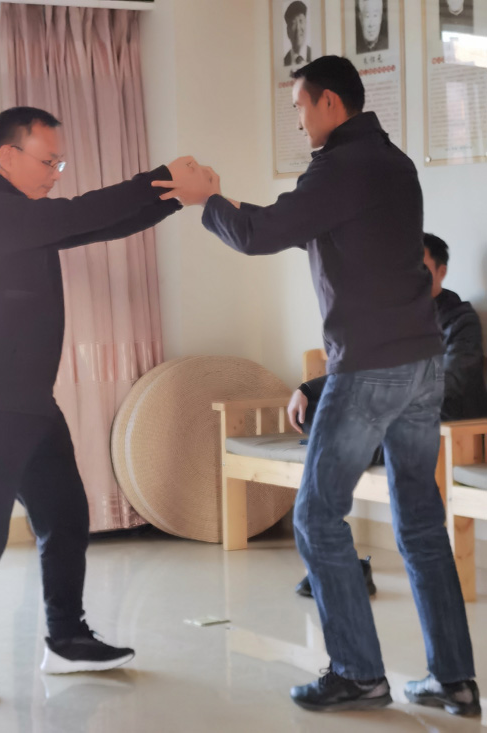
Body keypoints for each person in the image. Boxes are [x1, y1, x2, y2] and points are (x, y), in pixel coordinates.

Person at [153, 56, 480, 717]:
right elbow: (291, 223)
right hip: (422, 364)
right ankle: (454, 679)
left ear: (330, 102)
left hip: (370, 368)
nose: (298, 119)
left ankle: (358, 672)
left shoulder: (341, 165)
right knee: (421, 520)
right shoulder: (392, 163)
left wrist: (202, 201)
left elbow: (261, 234)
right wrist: (224, 202)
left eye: (300, 105)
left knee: (315, 514)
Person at [0, 106, 194, 700]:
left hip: (29, 399)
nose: (56, 173)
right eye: (48, 161)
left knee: (66, 516)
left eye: (60, 162)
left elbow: (93, 226)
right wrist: (161, 177)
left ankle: (67, 638)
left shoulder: (20, 215)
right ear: (8, 156)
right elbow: (80, 213)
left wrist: (175, 198)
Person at [294, 232, 487, 597]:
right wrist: (307, 389)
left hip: (444, 422)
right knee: (317, 414)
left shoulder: (459, 319)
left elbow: (457, 381)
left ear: (441, 272)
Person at [284, 1, 312, 67]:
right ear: (288, 31)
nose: (298, 28)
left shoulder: (315, 55)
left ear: (306, 24)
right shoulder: (284, 62)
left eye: (301, 21)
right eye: (293, 23)